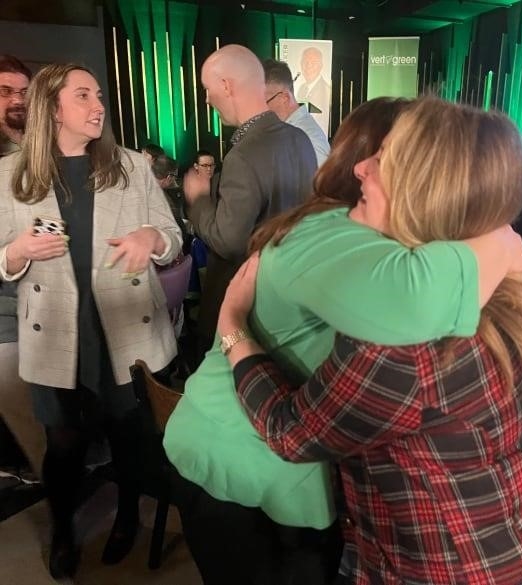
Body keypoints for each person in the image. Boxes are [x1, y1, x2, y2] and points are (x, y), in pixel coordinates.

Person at [218, 97, 522, 584]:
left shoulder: (402, 345)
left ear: (424, 191)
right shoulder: (507, 282)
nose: (360, 167)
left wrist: (233, 326)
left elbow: (291, 432)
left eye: (384, 159)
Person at [0, 63, 182, 579]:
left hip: (125, 328)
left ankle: (127, 516)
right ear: (52, 107)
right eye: (83, 96)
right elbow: (1, 258)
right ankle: (63, 528)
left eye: (99, 94)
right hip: (55, 333)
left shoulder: (130, 166)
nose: (98, 104)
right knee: (63, 445)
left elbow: (172, 238)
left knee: (130, 439)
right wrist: (17, 250)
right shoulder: (11, 175)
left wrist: (153, 240)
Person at [183, 44, 316, 358]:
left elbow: (229, 242)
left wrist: (199, 199)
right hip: (289, 302)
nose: (206, 98)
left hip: (246, 311)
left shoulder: (243, 155)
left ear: (227, 86)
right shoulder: (299, 139)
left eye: (207, 88)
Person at [0, 54, 46, 481]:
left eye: (23, 93)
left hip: (45, 294)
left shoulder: (42, 153)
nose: (17, 100)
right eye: (5, 91)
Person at [263, 58, 330, 166]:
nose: (259, 109)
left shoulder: (308, 141)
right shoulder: (291, 133)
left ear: (284, 98)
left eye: (263, 102)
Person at [294, 46, 331, 133]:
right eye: (305, 62)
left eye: (313, 62)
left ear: (321, 66)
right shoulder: (302, 88)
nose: (308, 66)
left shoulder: (327, 90)